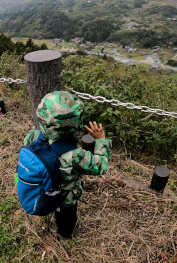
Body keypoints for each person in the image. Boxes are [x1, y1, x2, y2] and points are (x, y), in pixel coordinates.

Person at [24, 91, 112, 238]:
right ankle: (65, 235)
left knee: (56, 208)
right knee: (67, 218)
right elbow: (101, 165)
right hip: (66, 198)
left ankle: (55, 216)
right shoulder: (75, 155)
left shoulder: (33, 137)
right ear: (75, 125)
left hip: (45, 189)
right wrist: (101, 140)